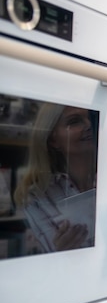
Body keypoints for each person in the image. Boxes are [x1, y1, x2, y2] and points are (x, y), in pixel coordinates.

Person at [14, 103, 97, 252]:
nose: (90, 125)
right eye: (74, 121)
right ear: (53, 140)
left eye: (93, 117)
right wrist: (61, 251)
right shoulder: (37, 197)